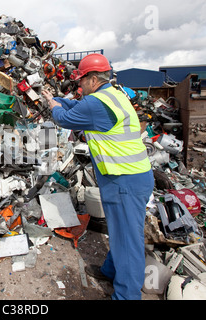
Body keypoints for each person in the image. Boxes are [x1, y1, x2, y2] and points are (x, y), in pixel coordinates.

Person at [42, 53, 154, 300]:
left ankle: (126, 295)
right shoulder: (112, 95)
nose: (79, 86)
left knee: (128, 241)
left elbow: (64, 118)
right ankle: (110, 271)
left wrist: (53, 106)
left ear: (93, 79)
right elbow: (78, 107)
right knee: (119, 231)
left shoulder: (96, 104)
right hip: (128, 177)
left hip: (125, 180)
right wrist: (58, 99)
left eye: (81, 80)